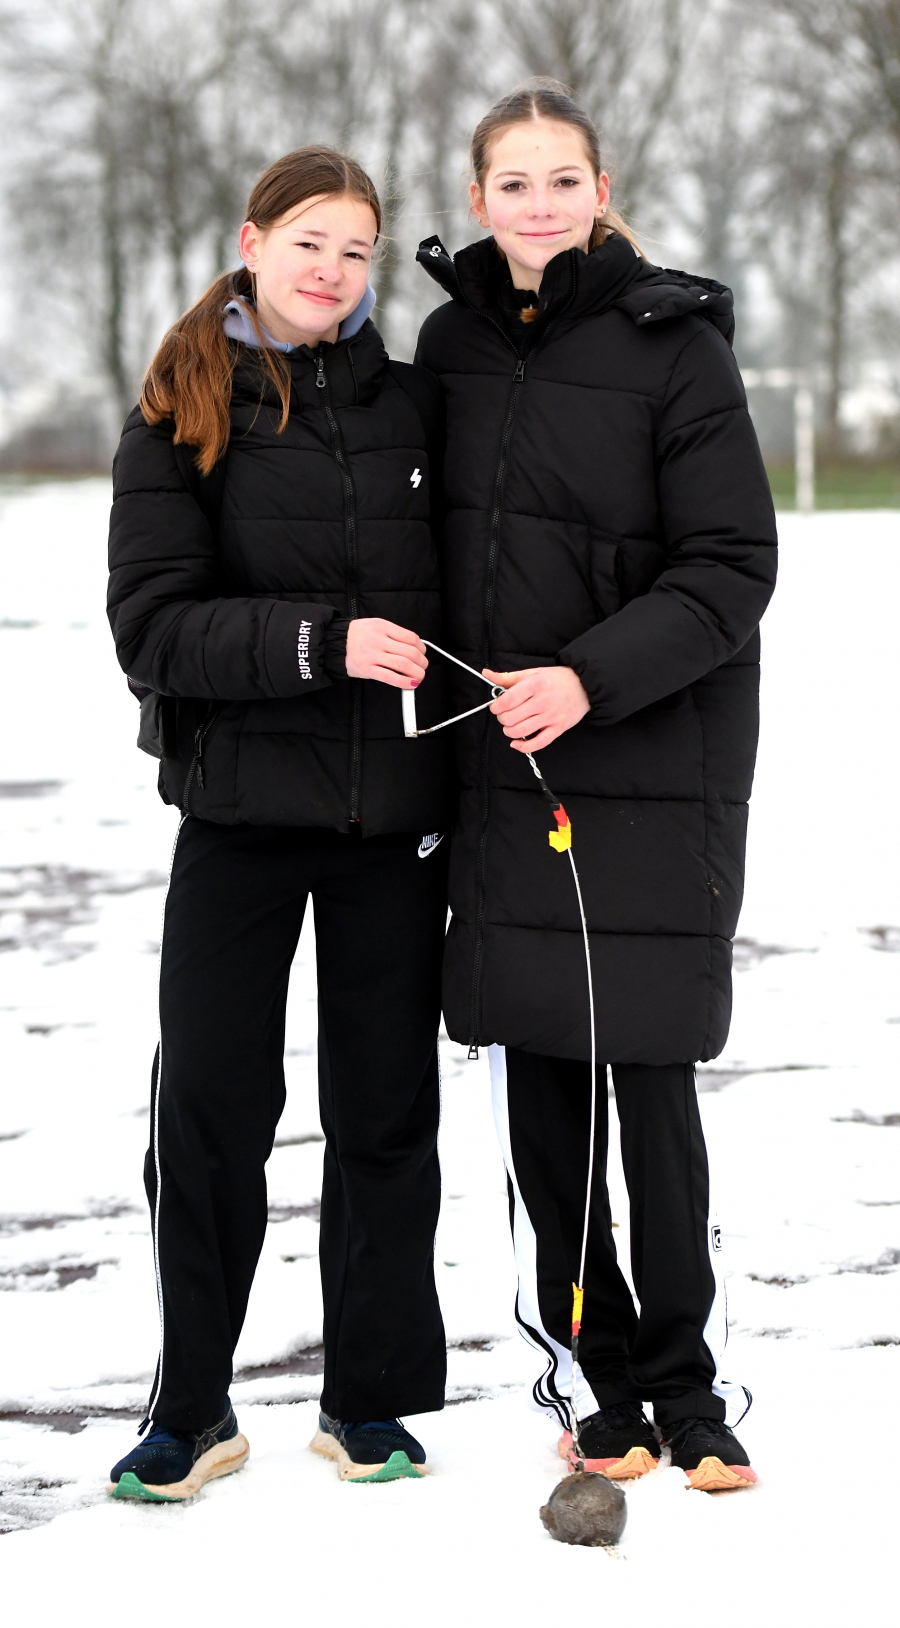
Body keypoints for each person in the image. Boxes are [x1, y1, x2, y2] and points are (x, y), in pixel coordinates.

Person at [415, 80, 777, 1493]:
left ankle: (691, 1391)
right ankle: (596, 1379)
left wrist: (587, 678)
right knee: (543, 1084)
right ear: (478, 198)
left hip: (652, 752)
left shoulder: (675, 347)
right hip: (504, 768)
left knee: (653, 1080)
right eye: (515, 183)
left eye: (566, 179)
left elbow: (732, 567)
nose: (542, 205)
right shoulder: (442, 346)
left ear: (602, 186)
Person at [106, 146, 455, 1500]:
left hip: (394, 822)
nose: (334, 271)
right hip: (241, 814)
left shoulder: (419, 407)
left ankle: (364, 1400)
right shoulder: (181, 409)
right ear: (253, 243)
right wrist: (323, 641)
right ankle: (190, 1404)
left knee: (384, 1112)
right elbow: (153, 627)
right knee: (209, 1108)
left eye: (359, 250)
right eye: (311, 242)